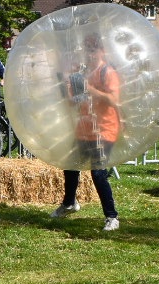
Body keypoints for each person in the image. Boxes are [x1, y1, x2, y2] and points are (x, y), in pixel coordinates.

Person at [51, 33, 121, 231]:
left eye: (93, 49)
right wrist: (66, 88)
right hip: (84, 129)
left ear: (102, 51)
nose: (89, 54)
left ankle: (111, 217)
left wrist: (90, 88)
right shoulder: (81, 73)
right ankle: (69, 203)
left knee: (98, 173)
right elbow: (74, 103)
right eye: (87, 50)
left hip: (105, 130)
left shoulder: (106, 72)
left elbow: (114, 100)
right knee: (70, 165)